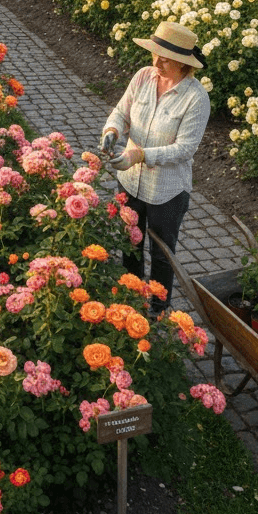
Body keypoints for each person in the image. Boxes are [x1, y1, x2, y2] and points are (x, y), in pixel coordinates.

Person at [100, 20, 210, 313]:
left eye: (165, 58)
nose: (157, 62)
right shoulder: (143, 77)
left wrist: (139, 155)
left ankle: (159, 311)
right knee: (129, 244)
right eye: (155, 54)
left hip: (168, 191)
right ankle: (130, 303)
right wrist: (112, 131)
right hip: (131, 181)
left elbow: (185, 149)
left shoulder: (196, 98)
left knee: (162, 255)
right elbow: (121, 112)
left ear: (184, 63)